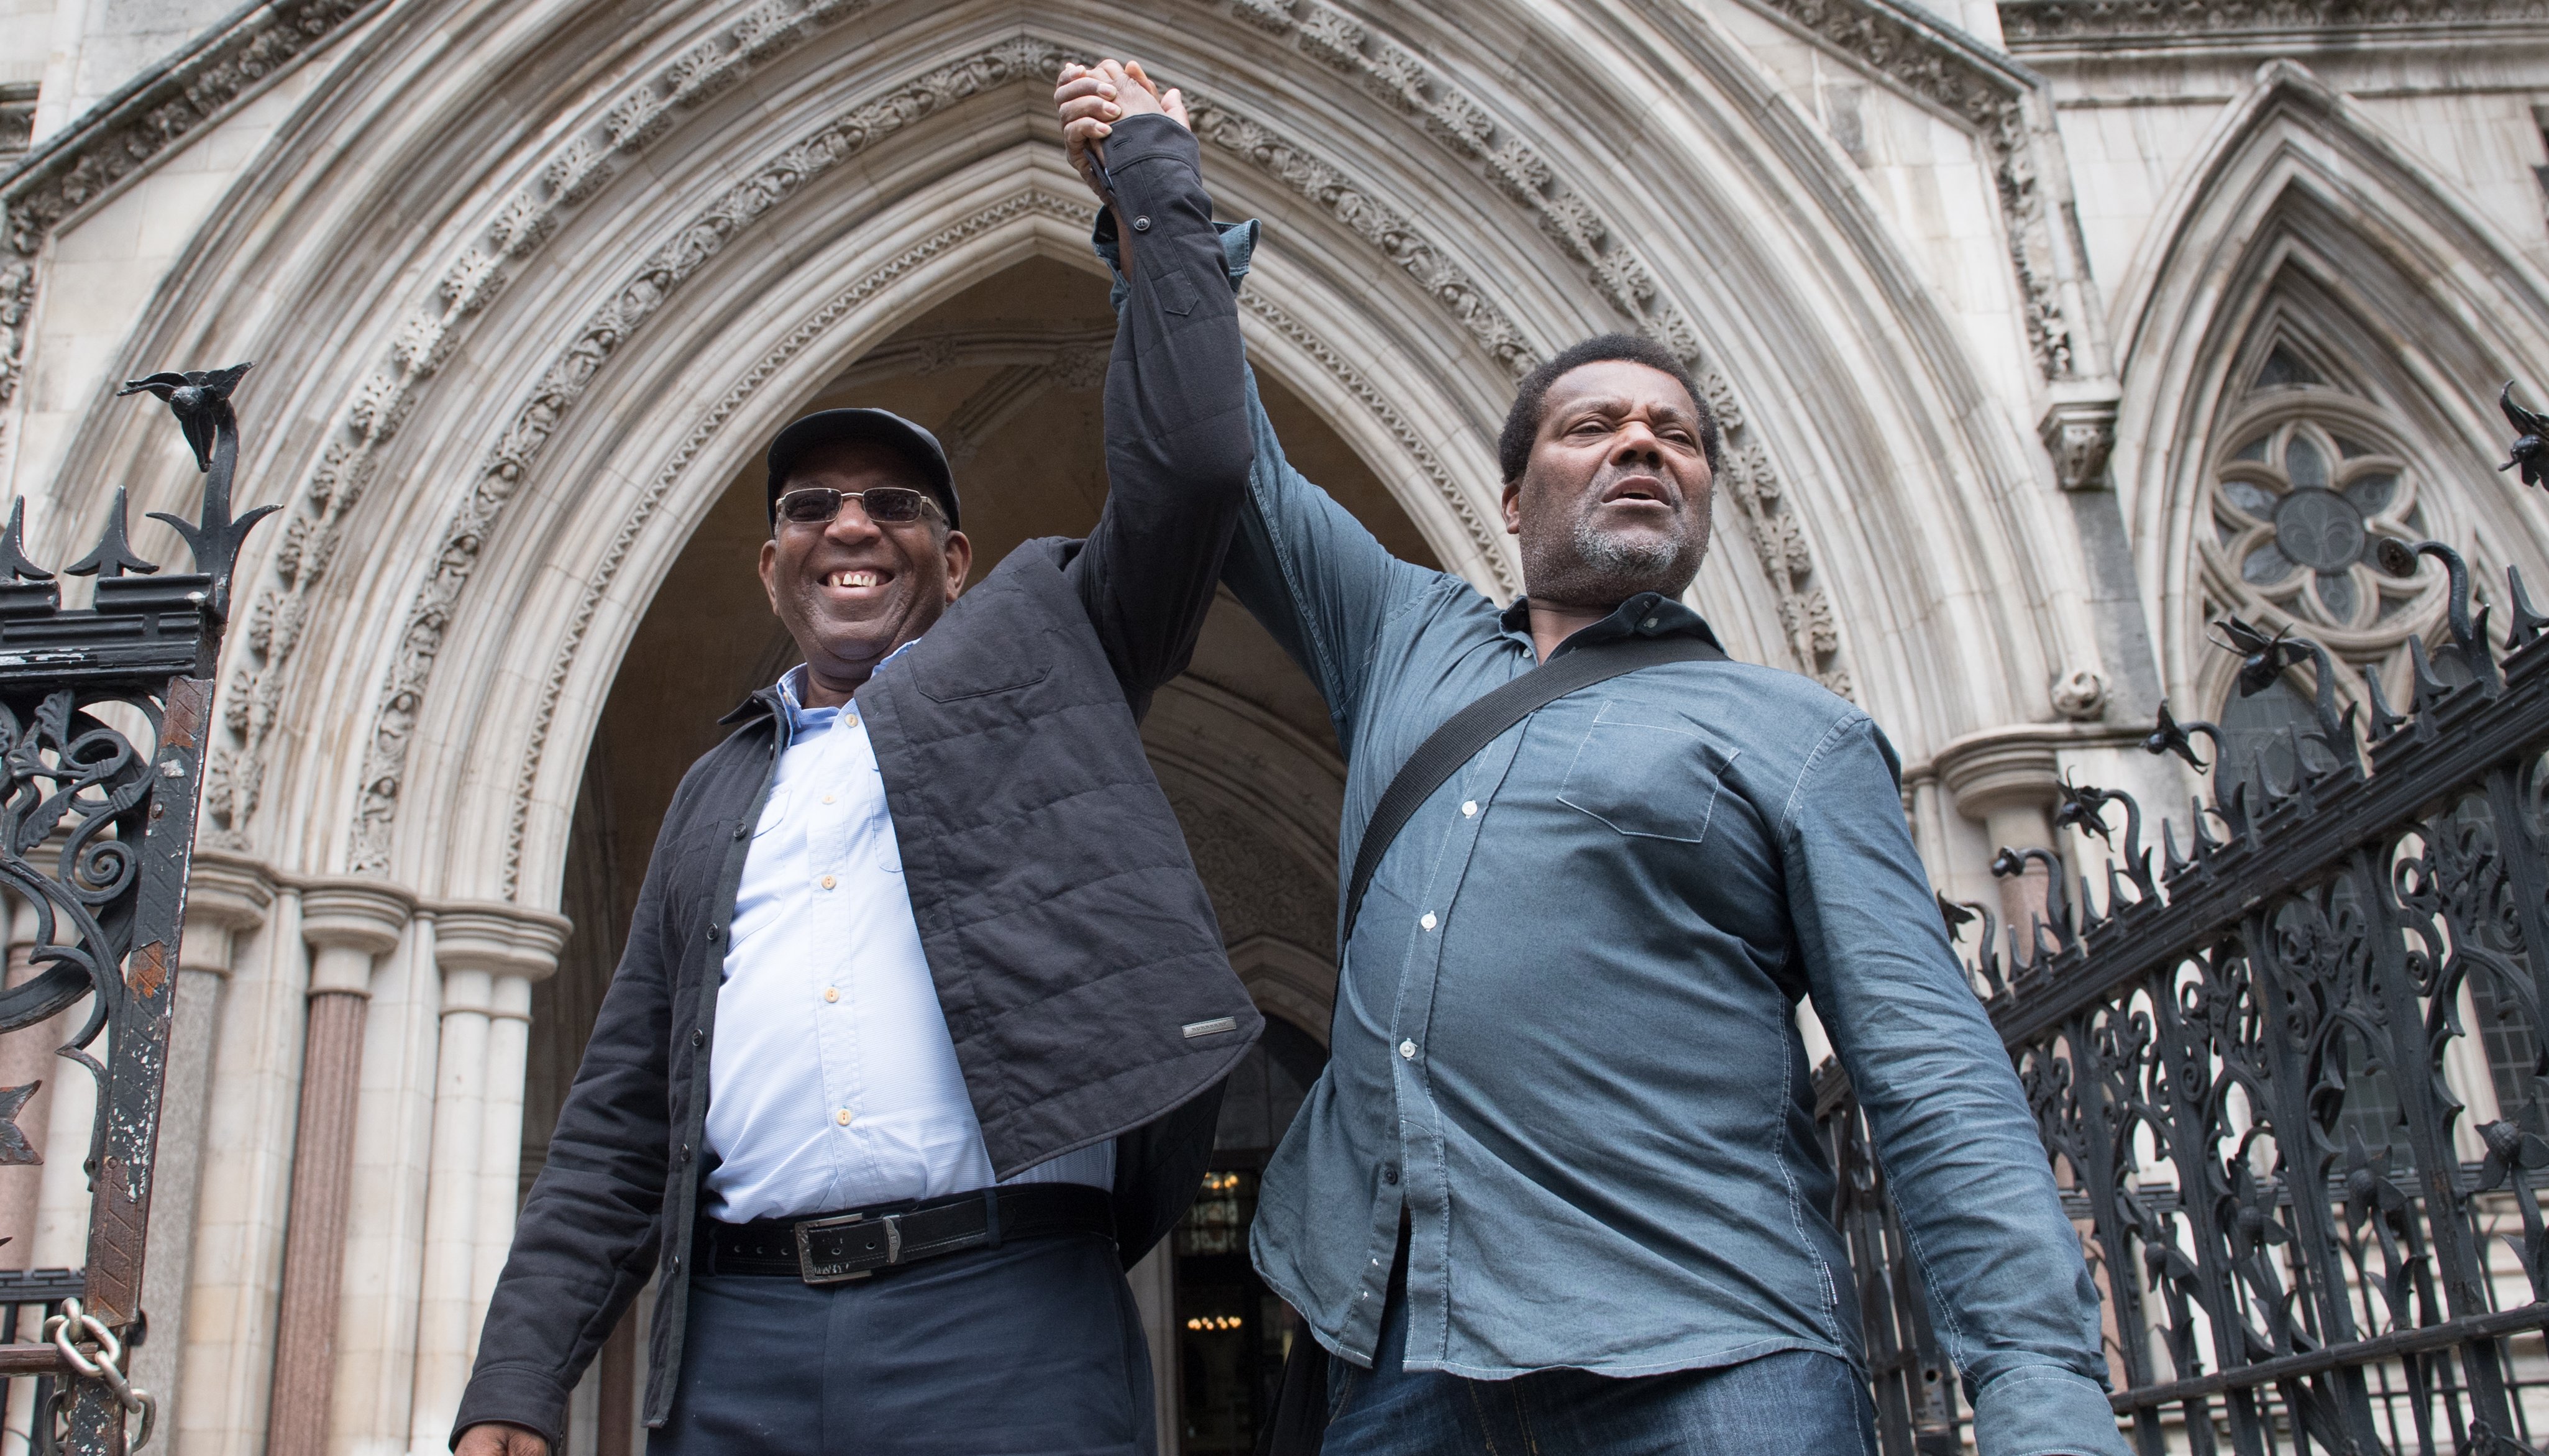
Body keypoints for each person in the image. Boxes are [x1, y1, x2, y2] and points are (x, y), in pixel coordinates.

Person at [1056, 71, 2131, 1456]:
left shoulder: (1795, 736)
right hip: (1396, 1358)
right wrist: (1157, 212)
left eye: (1675, 437)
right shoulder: (1403, 639)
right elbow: (1226, 463)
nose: (1640, 443)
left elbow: (1929, 1072)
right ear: (1513, 500)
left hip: (1710, 1357)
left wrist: (2040, 1397)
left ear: (1699, 500)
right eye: (1594, 427)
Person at [452, 62, 1260, 1456]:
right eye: (810, 506)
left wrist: (1152, 196)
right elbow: (621, 1117)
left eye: (893, 505)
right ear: (770, 563)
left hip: (1000, 1316)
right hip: (741, 1343)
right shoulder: (717, 791)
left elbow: (1190, 472)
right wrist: (515, 1386)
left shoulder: (1049, 653)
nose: (848, 526)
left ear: (954, 558)